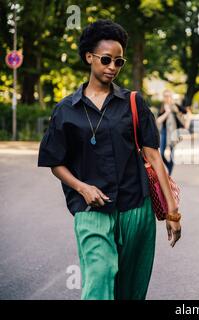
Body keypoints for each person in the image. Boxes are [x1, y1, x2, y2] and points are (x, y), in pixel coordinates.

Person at [37, 20, 182, 300]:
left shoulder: (133, 103)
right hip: (92, 211)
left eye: (119, 61)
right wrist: (82, 188)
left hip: (135, 209)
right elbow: (55, 162)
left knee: (130, 290)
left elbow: (154, 157)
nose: (112, 67)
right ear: (89, 57)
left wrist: (173, 212)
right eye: (106, 59)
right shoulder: (65, 110)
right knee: (100, 276)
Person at [156, 89, 188, 175]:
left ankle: (169, 173)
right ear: (163, 97)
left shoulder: (176, 106)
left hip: (174, 132)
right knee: (161, 153)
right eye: (165, 96)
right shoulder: (162, 107)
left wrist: (179, 114)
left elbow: (186, 112)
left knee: (172, 154)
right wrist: (167, 113)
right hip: (164, 131)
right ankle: (169, 167)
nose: (167, 98)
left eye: (169, 96)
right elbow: (158, 121)